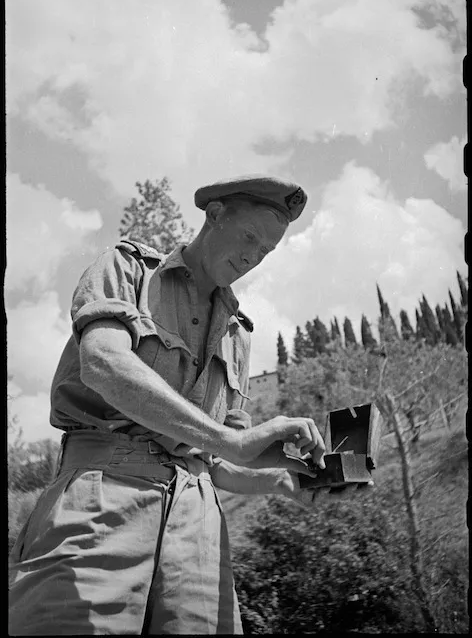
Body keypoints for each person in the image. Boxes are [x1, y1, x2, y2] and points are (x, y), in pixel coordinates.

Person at [9, 176, 350, 635]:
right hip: (104, 500)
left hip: (200, 534)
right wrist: (231, 440)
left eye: (266, 250)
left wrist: (284, 479)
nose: (253, 256)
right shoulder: (128, 268)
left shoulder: (238, 333)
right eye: (250, 236)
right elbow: (103, 363)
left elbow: (218, 461)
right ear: (214, 215)